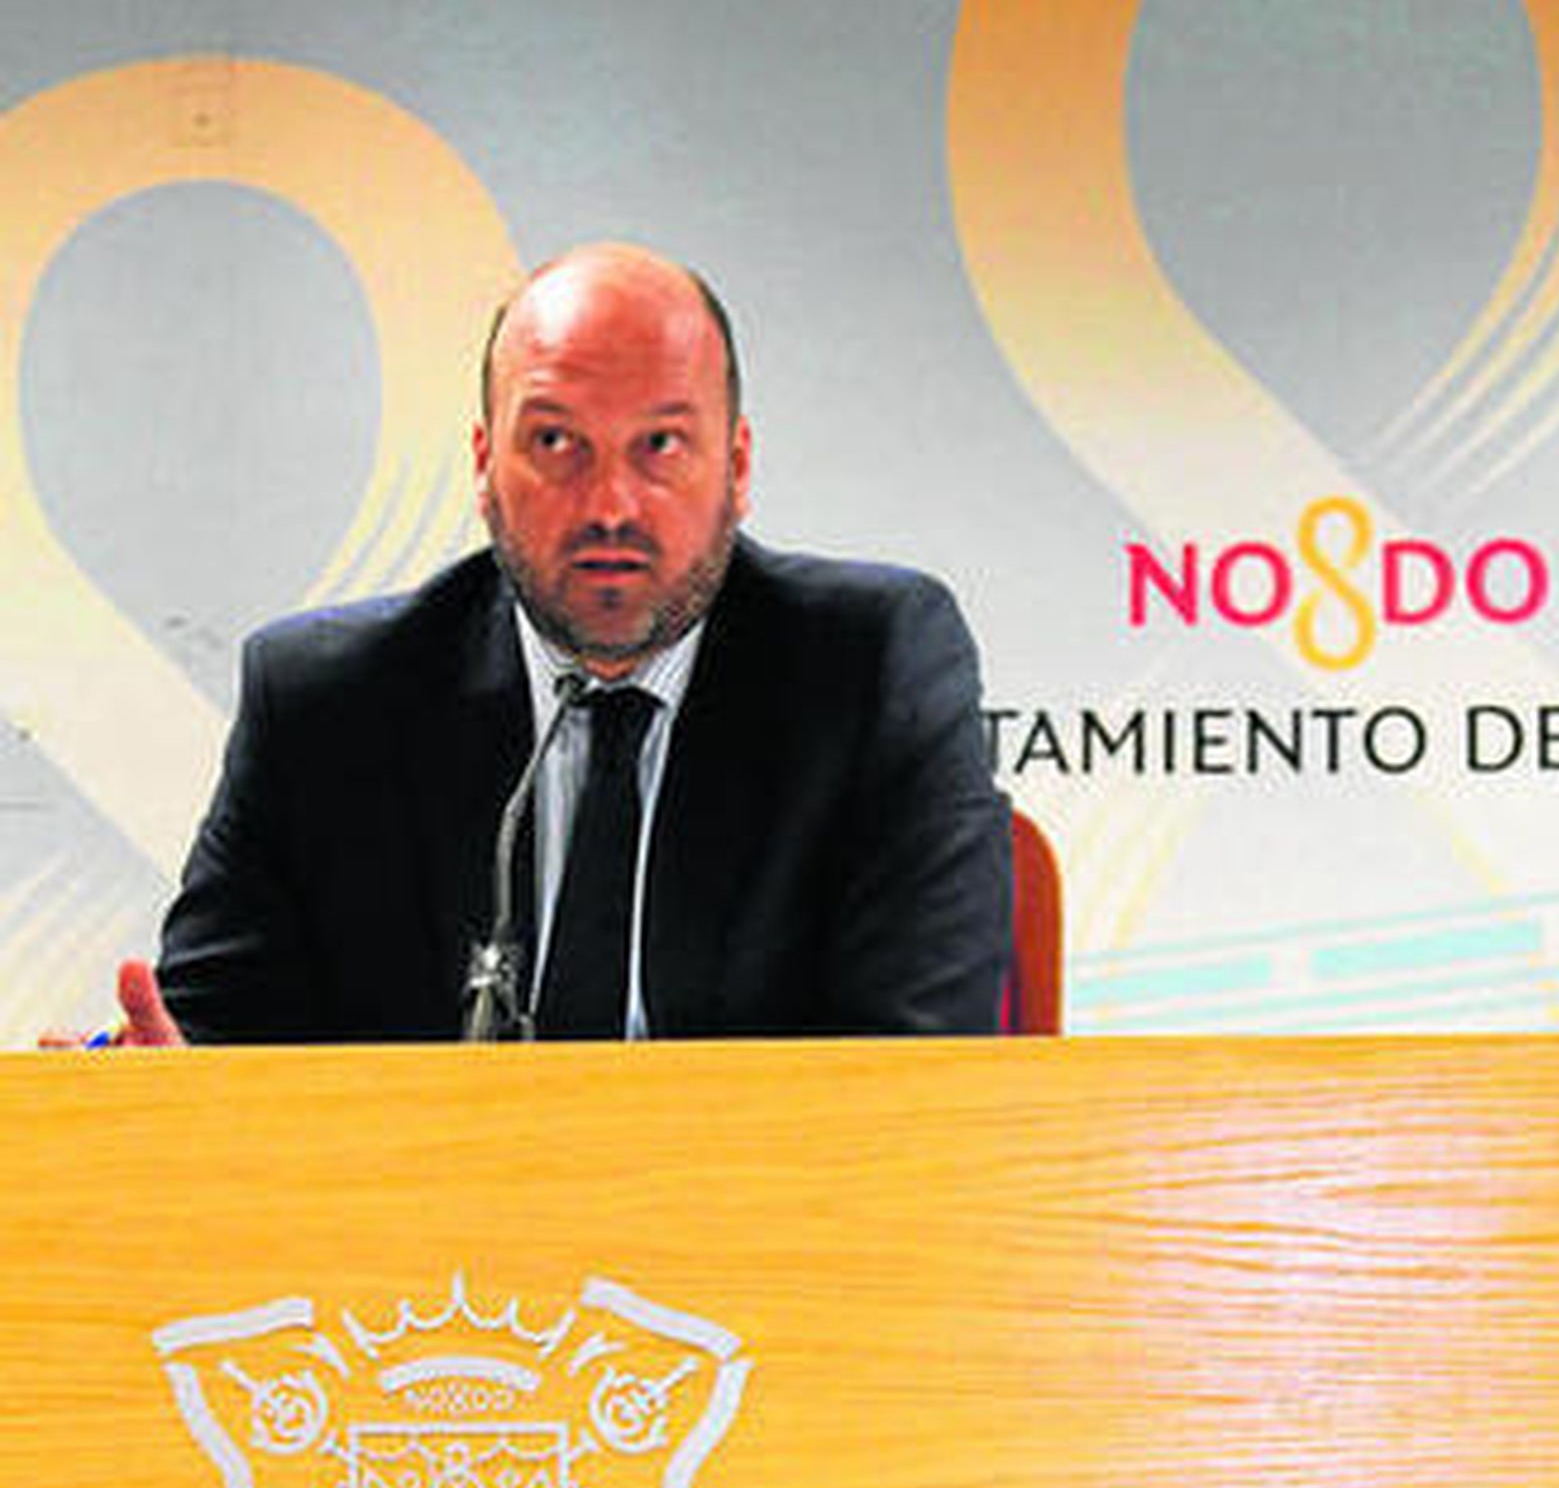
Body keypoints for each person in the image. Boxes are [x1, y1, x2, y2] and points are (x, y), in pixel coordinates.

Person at [102, 241, 1011, 1045]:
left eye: (661, 444)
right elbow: (213, 1048)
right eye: (554, 441)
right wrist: (156, 1087)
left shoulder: (871, 671)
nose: (610, 505)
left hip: (766, 1192)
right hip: (421, 1192)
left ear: (737, 468)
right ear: (483, 466)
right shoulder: (327, 707)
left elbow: (920, 1067)